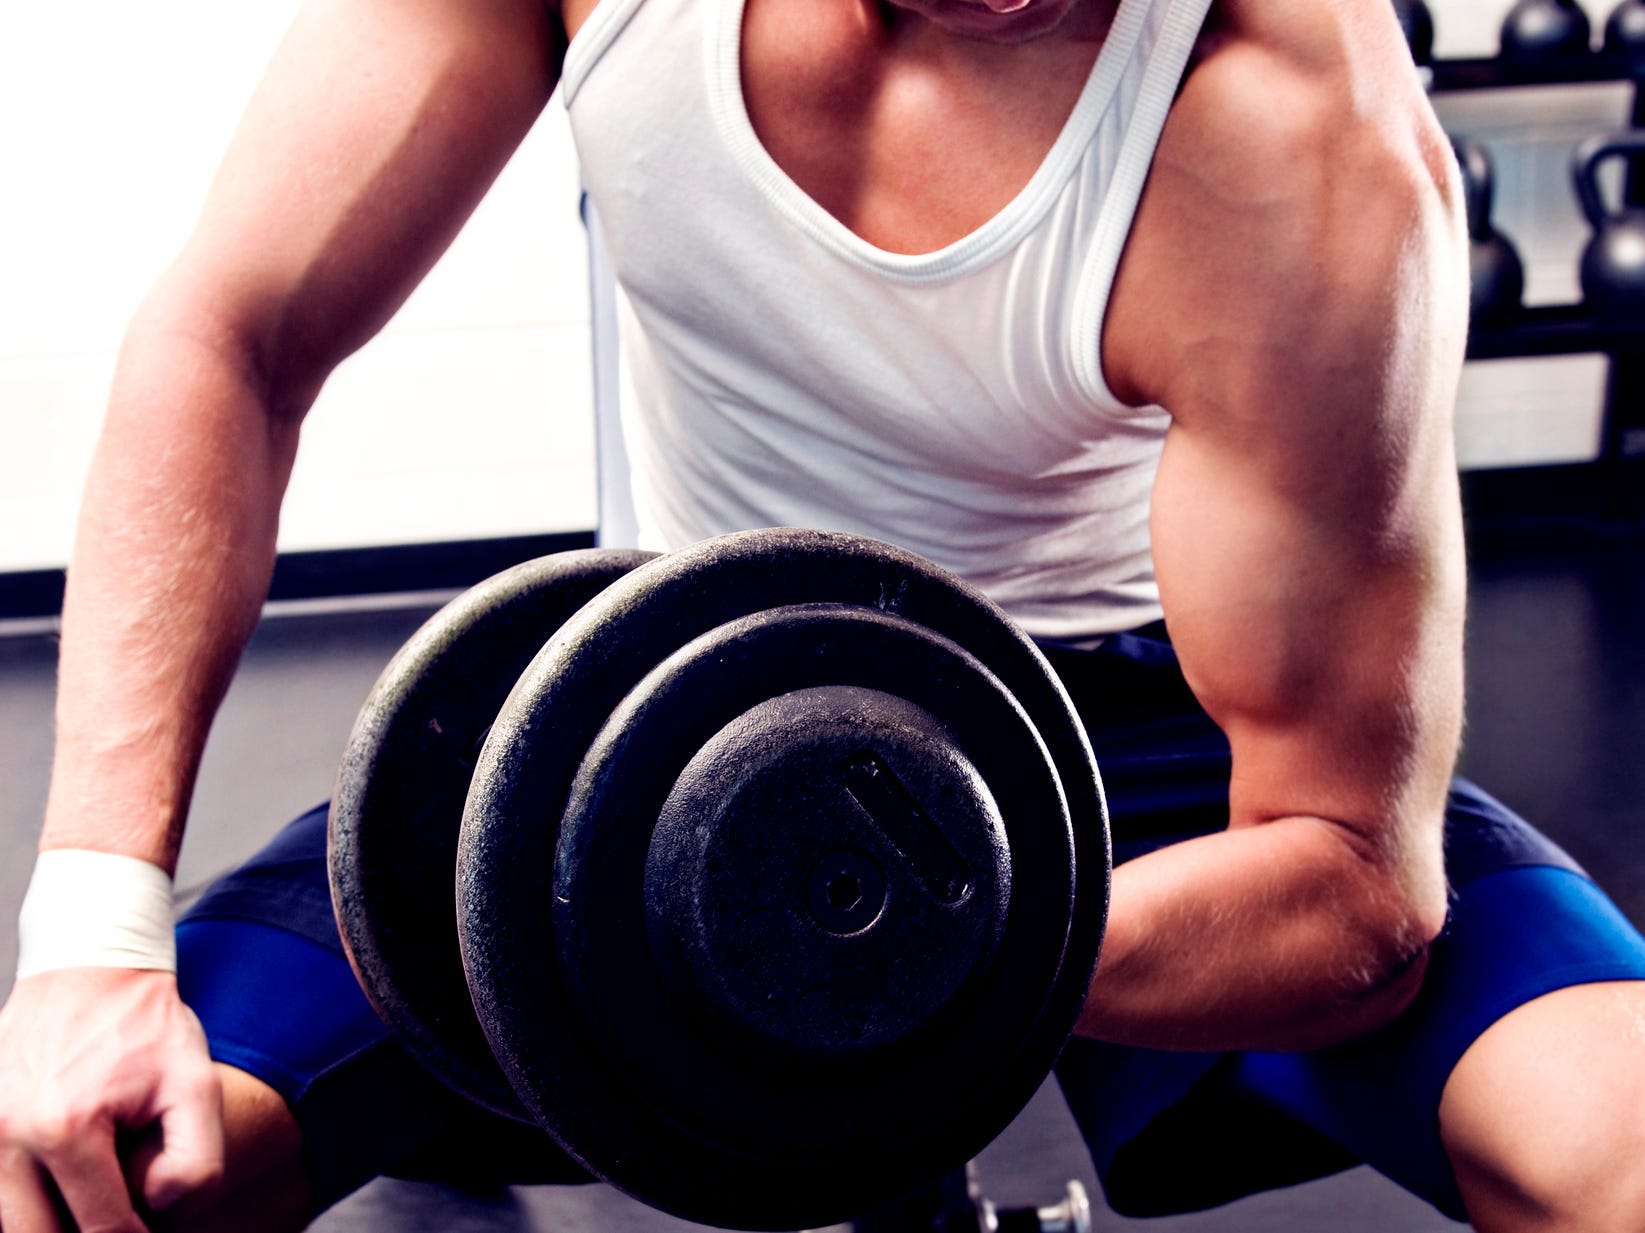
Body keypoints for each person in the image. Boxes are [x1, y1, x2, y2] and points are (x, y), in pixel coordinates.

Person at [3, 0, 1644, 1229]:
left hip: (1133, 746)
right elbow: (231, 339)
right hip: (647, 713)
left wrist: (904, 935)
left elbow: (1355, 877)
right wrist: (89, 938)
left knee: (1615, 1147)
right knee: (84, 1171)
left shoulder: (1296, 140)